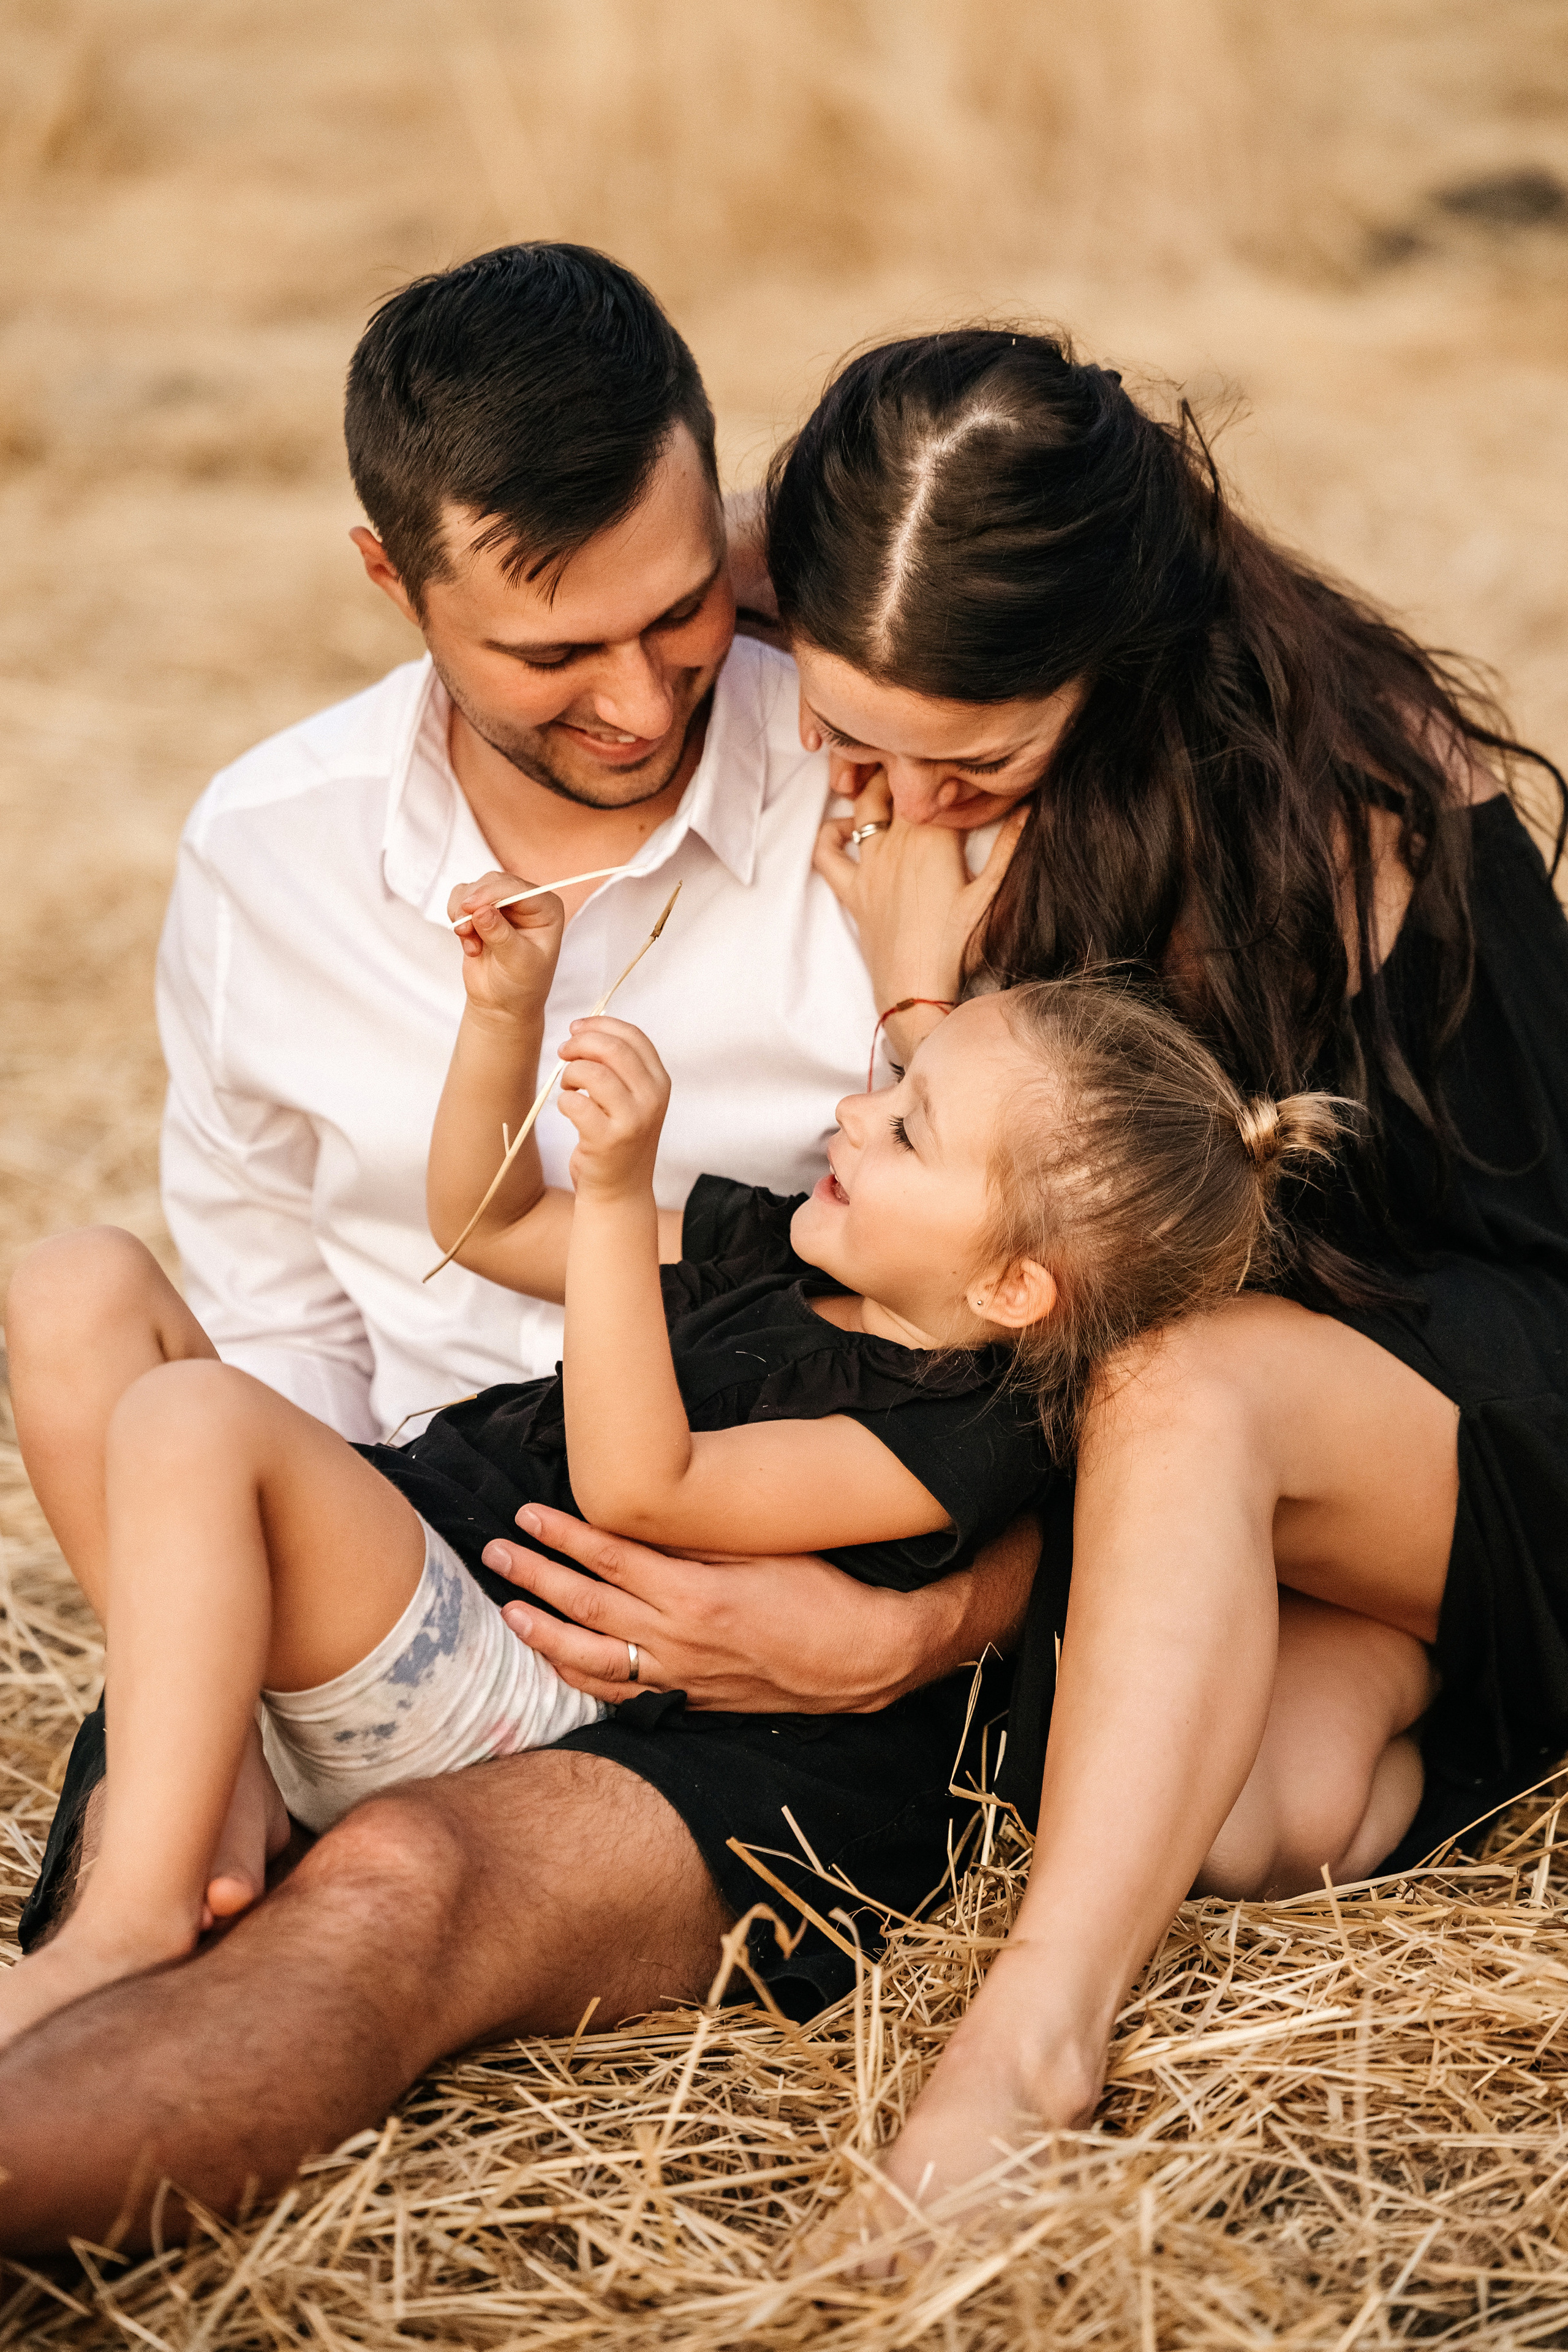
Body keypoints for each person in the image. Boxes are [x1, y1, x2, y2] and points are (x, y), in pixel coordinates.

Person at [15, 244, 1033, 1977]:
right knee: (74, 1294)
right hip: (405, 1540)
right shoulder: (267, 853)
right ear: (390, 580)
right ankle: (222, 1793)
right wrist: (296, 1624)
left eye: (680, 614)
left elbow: (1032, 1288)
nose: (640, 704)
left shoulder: (877, 793)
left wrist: (931, 1629)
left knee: (372, 1920)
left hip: (738, 1613)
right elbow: (279, 1317)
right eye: (556, 651)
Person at [741, 326, 1568, 2241]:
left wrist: (922, 1009)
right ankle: (1419, 1699)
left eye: (971, 760)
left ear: (1105, 661)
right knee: (1238, 1815)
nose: (901, 802)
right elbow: (681, 534)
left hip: (1484, 1384)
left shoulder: (1319, 798)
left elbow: (1099, 1266)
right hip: (1306, 1461)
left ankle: (1032, 2040)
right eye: (851, 738)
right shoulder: (856, 566)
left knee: (1178, 1386)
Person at [4, 883, 1338, 2047]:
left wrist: (614, 1190)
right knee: (78, 1287)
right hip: (422, 1570)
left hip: (501, 1672)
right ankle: (220, 1775)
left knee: (193, 1421)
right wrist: (504, 1016)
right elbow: (486, 1221)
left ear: (1009, 1288)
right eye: (891, 1086)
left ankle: (131, 1919)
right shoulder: (790, 1247)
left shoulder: (954, 1437)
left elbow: (643, 1487)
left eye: (909, 1130)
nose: (854, 1112)